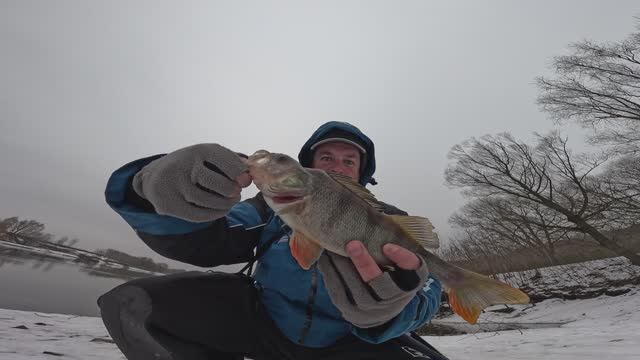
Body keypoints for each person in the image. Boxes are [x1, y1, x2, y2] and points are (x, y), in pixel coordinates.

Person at [99, 121, 448, 360]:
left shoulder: (389, 219)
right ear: (308, 165)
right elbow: (207, 240)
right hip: (267, 323)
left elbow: (429, 285)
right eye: (326, 157)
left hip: (353, 339)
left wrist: (389, 314)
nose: (337, 166)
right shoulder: (268, 208)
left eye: (349, 160)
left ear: (362, 172)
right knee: (135, 303)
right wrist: (150, 194)